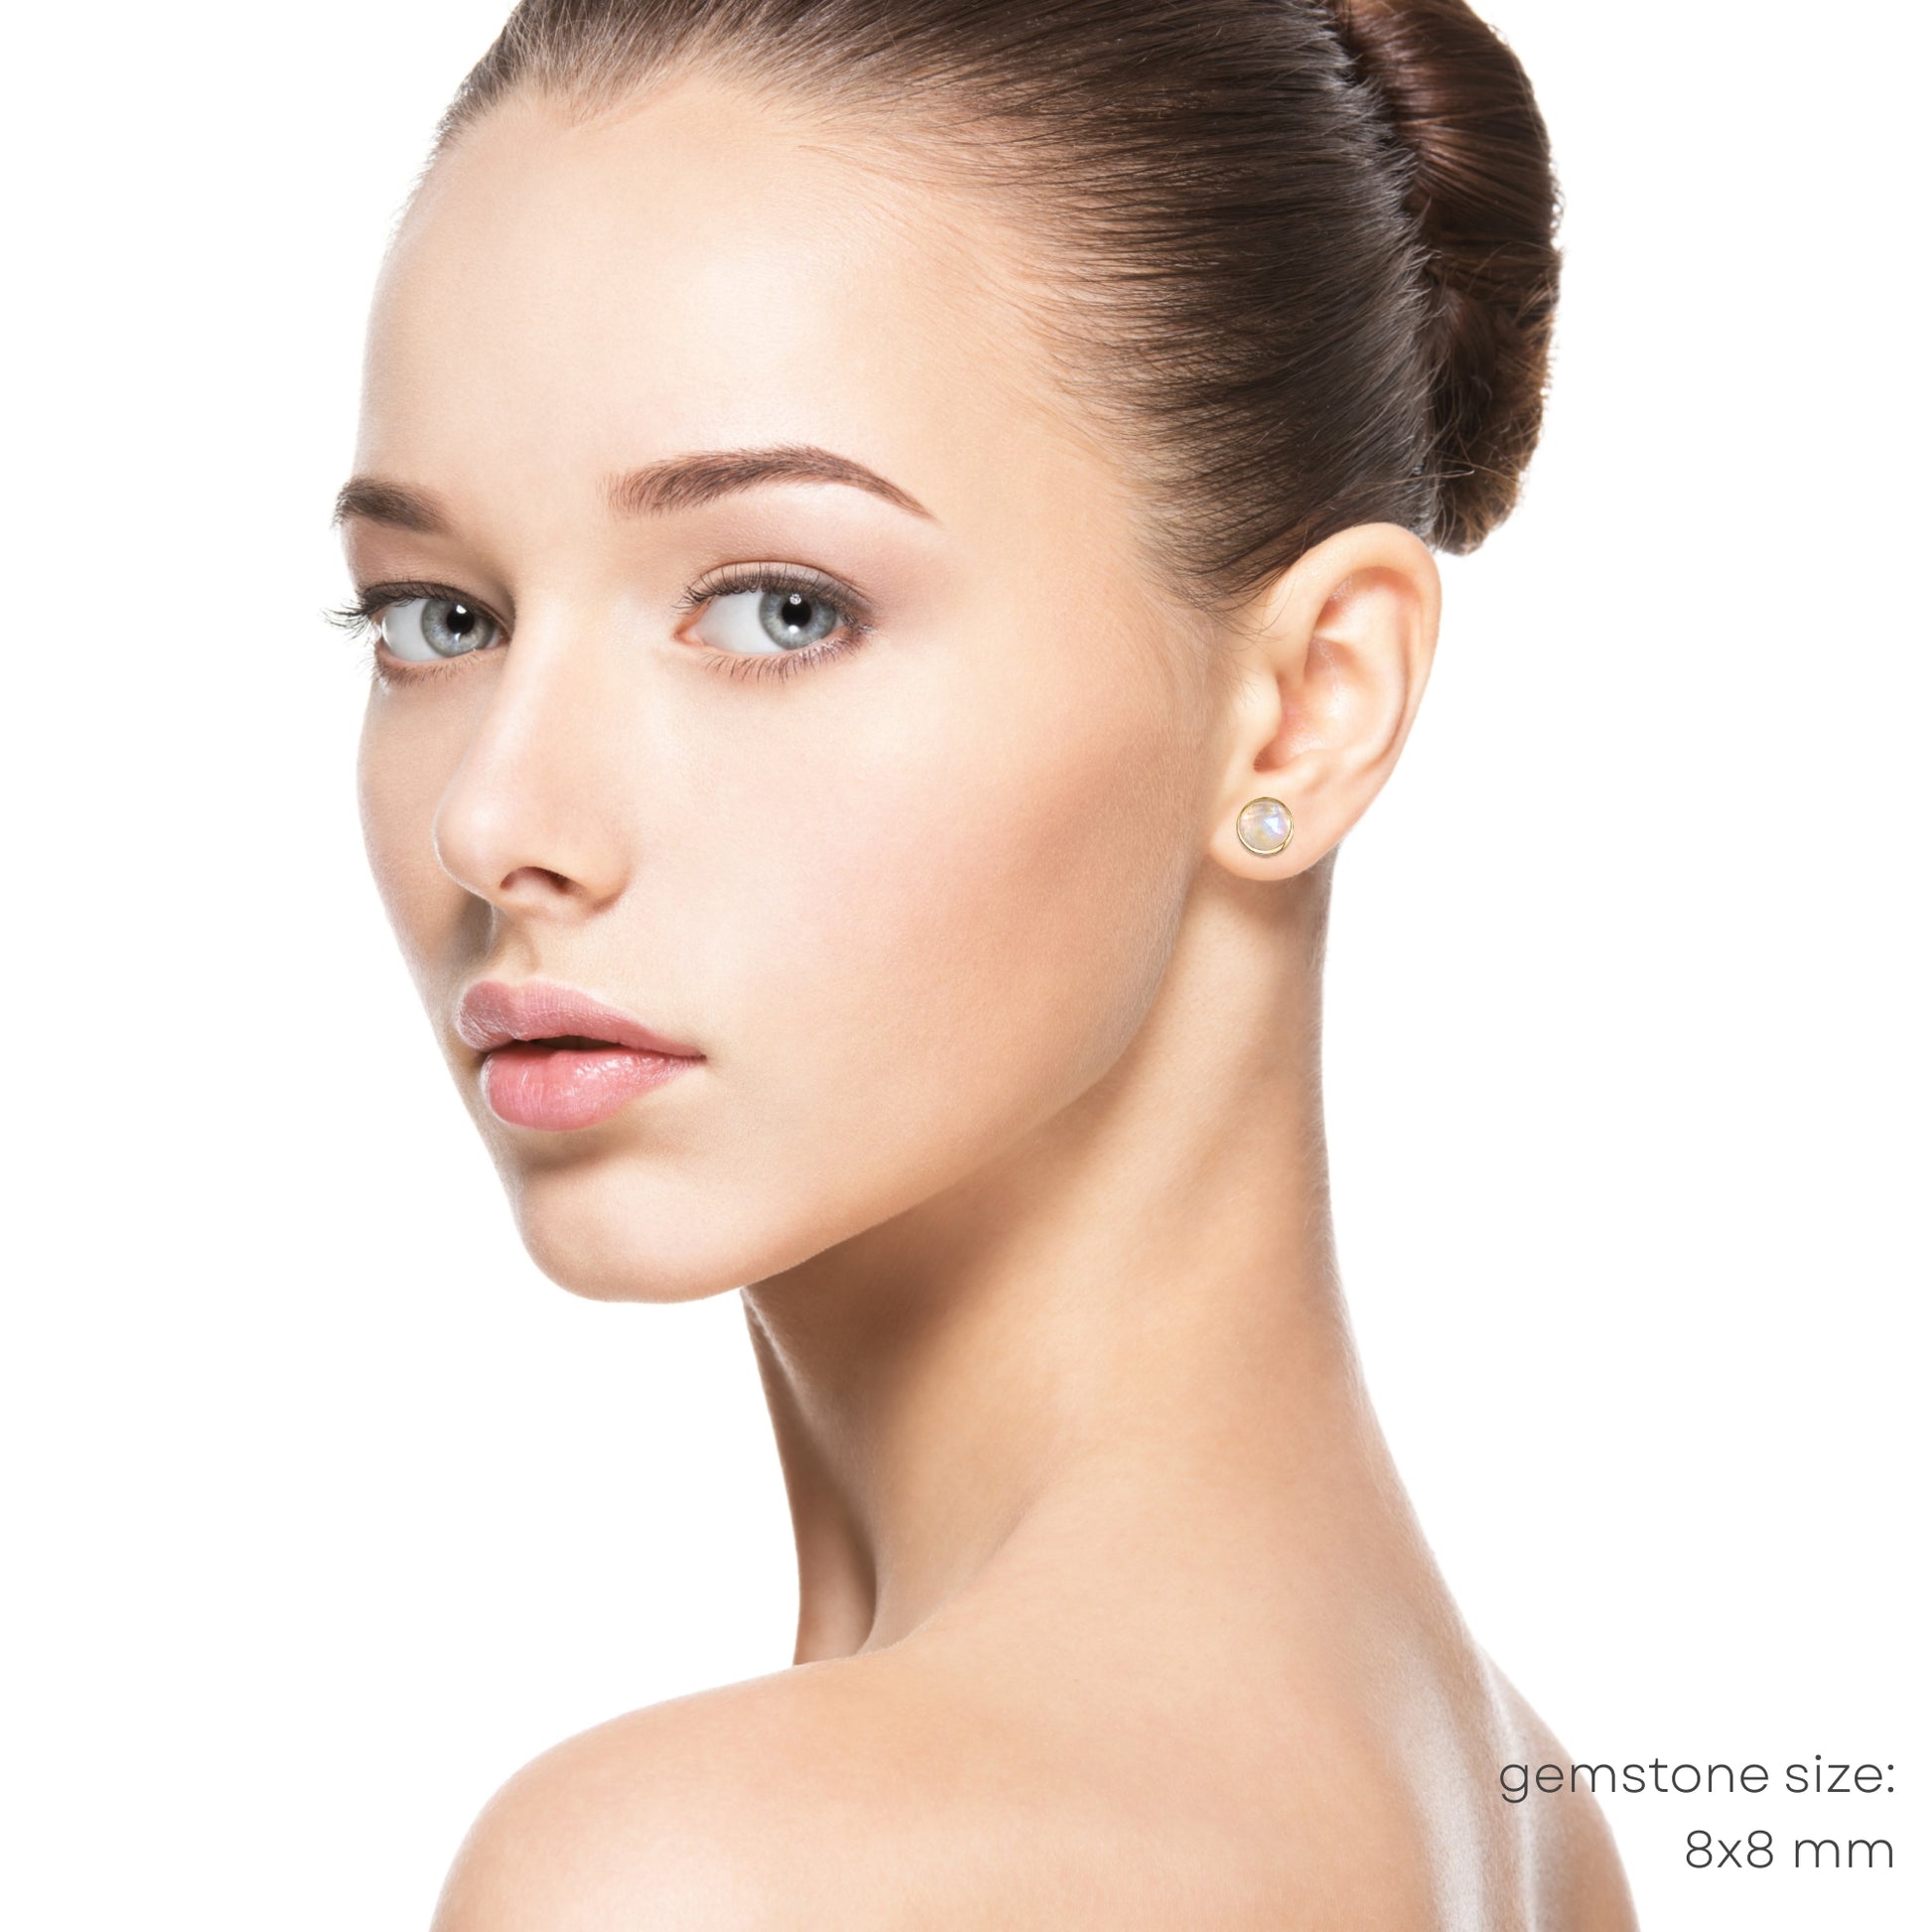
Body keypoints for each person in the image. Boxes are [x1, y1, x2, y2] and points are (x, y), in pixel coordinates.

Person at [334, 0, 1638, 1922]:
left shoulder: (708, 1872)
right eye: (440, 617)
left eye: (779, 608)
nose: (495, 817)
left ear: (1307, 704)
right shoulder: (1508, 1823)